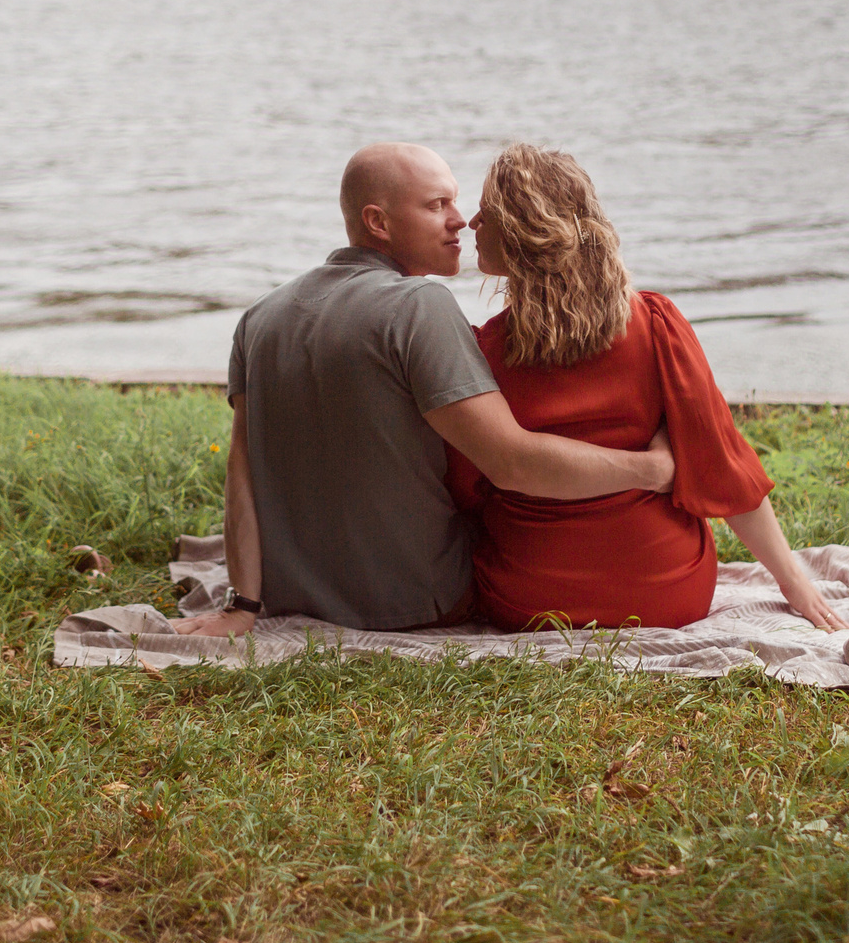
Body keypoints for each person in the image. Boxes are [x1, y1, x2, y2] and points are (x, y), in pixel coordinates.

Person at [173, 143, 673, 639]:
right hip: (420, 602)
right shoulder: (420, 305)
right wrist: (651, 470)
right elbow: (513, 464)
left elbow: (241, 471)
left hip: (289, 595)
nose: (463, 220)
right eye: (437, 205)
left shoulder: (259, 317)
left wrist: (242, 605)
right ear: (379, 222)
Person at [454, 143, 846, 632]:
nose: (471, 223)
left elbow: (464, 488)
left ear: (521, 236)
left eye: (487, 213)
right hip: (667, 591)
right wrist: (793, 582)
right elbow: (722, 466)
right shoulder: (657, 326)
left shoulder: (480, 353)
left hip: (533, 601)